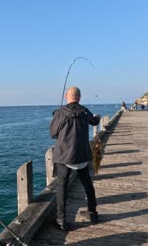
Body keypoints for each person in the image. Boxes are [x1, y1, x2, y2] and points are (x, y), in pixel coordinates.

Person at [49, 86, 100, 231]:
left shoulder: (60, 113)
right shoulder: (84, 111)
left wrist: (56, 117)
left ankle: (61, 220)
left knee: (61, 188)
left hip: (65, 156)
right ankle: (93, 213)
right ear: (79, 97)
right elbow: (94, 122)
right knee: (88, 185)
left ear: (67, 96)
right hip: (82, 156)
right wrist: (97, 117)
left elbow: (53, 133)